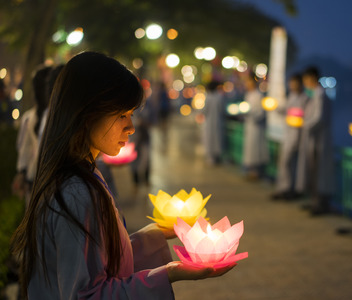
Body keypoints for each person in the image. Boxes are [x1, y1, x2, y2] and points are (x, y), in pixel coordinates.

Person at [10, 51, 234, 299]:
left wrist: (157, 232)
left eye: (131, 115)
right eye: (121, 116)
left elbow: (104, 262)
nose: (130, 127)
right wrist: (169, 273)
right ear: (86, 115)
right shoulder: (76, 193)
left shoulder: (83, 175)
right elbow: (87, 294)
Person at [295, 66, 335, 215]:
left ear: (311, 78)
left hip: (320, 140)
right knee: (313, 171)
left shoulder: (320, 95)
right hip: (314, 139)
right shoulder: (313, 95)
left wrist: (304, 125)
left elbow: (319, 118)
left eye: (306, 79)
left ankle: (321, 203)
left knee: (319, 171)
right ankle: (315, 201)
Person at [12, 65, 52, 203]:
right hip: (44, 182)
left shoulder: (29, 118)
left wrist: (23, 172)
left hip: (33, 180)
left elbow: (22, 149)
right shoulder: (50, 117)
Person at [271, 73, 308, 201]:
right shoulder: (291, 96)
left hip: (296, 135)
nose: (291, 85)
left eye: (294, 83)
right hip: (287, 135)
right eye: (290, 83)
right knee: (284, 163)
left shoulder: (304, 98)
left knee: (288, 163)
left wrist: (294, 115)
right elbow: (286, 110)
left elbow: (301, 115)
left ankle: (290, 189)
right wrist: (275, 107)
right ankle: (283, 188)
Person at [242, 73, 269, 180]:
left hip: (256, 126)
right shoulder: (248, 95)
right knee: (250, 149)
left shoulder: (259, 95)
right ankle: (251, 171)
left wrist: (251, 114)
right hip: (250, 125)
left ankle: (257, 171)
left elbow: (261, 112)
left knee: (256, 149)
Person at [202, 80, 225, 165]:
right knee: (217, 139)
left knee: (209, 139)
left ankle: (210, 158)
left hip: (209, 122)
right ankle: (216, 157)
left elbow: (204, 110)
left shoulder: (208, 97)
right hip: (218, 121)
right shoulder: (219, 97)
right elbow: (222, 110)